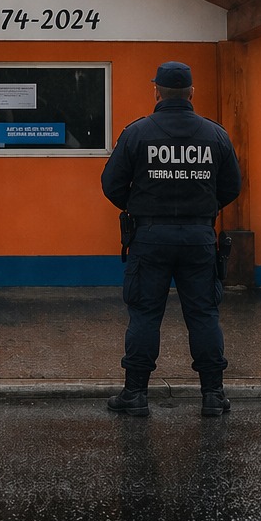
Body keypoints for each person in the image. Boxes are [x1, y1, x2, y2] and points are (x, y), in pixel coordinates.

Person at [101, 61, 242, 418]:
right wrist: (200, 211)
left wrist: (141, 206)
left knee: (145, 315)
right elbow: (231, 187)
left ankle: (136, 394)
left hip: (149, 237)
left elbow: (111, 184)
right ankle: (212, 395)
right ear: (191, 93)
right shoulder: (215, 135)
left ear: (157, 92)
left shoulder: (137, 133)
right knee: (204, 315)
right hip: (199, 238)